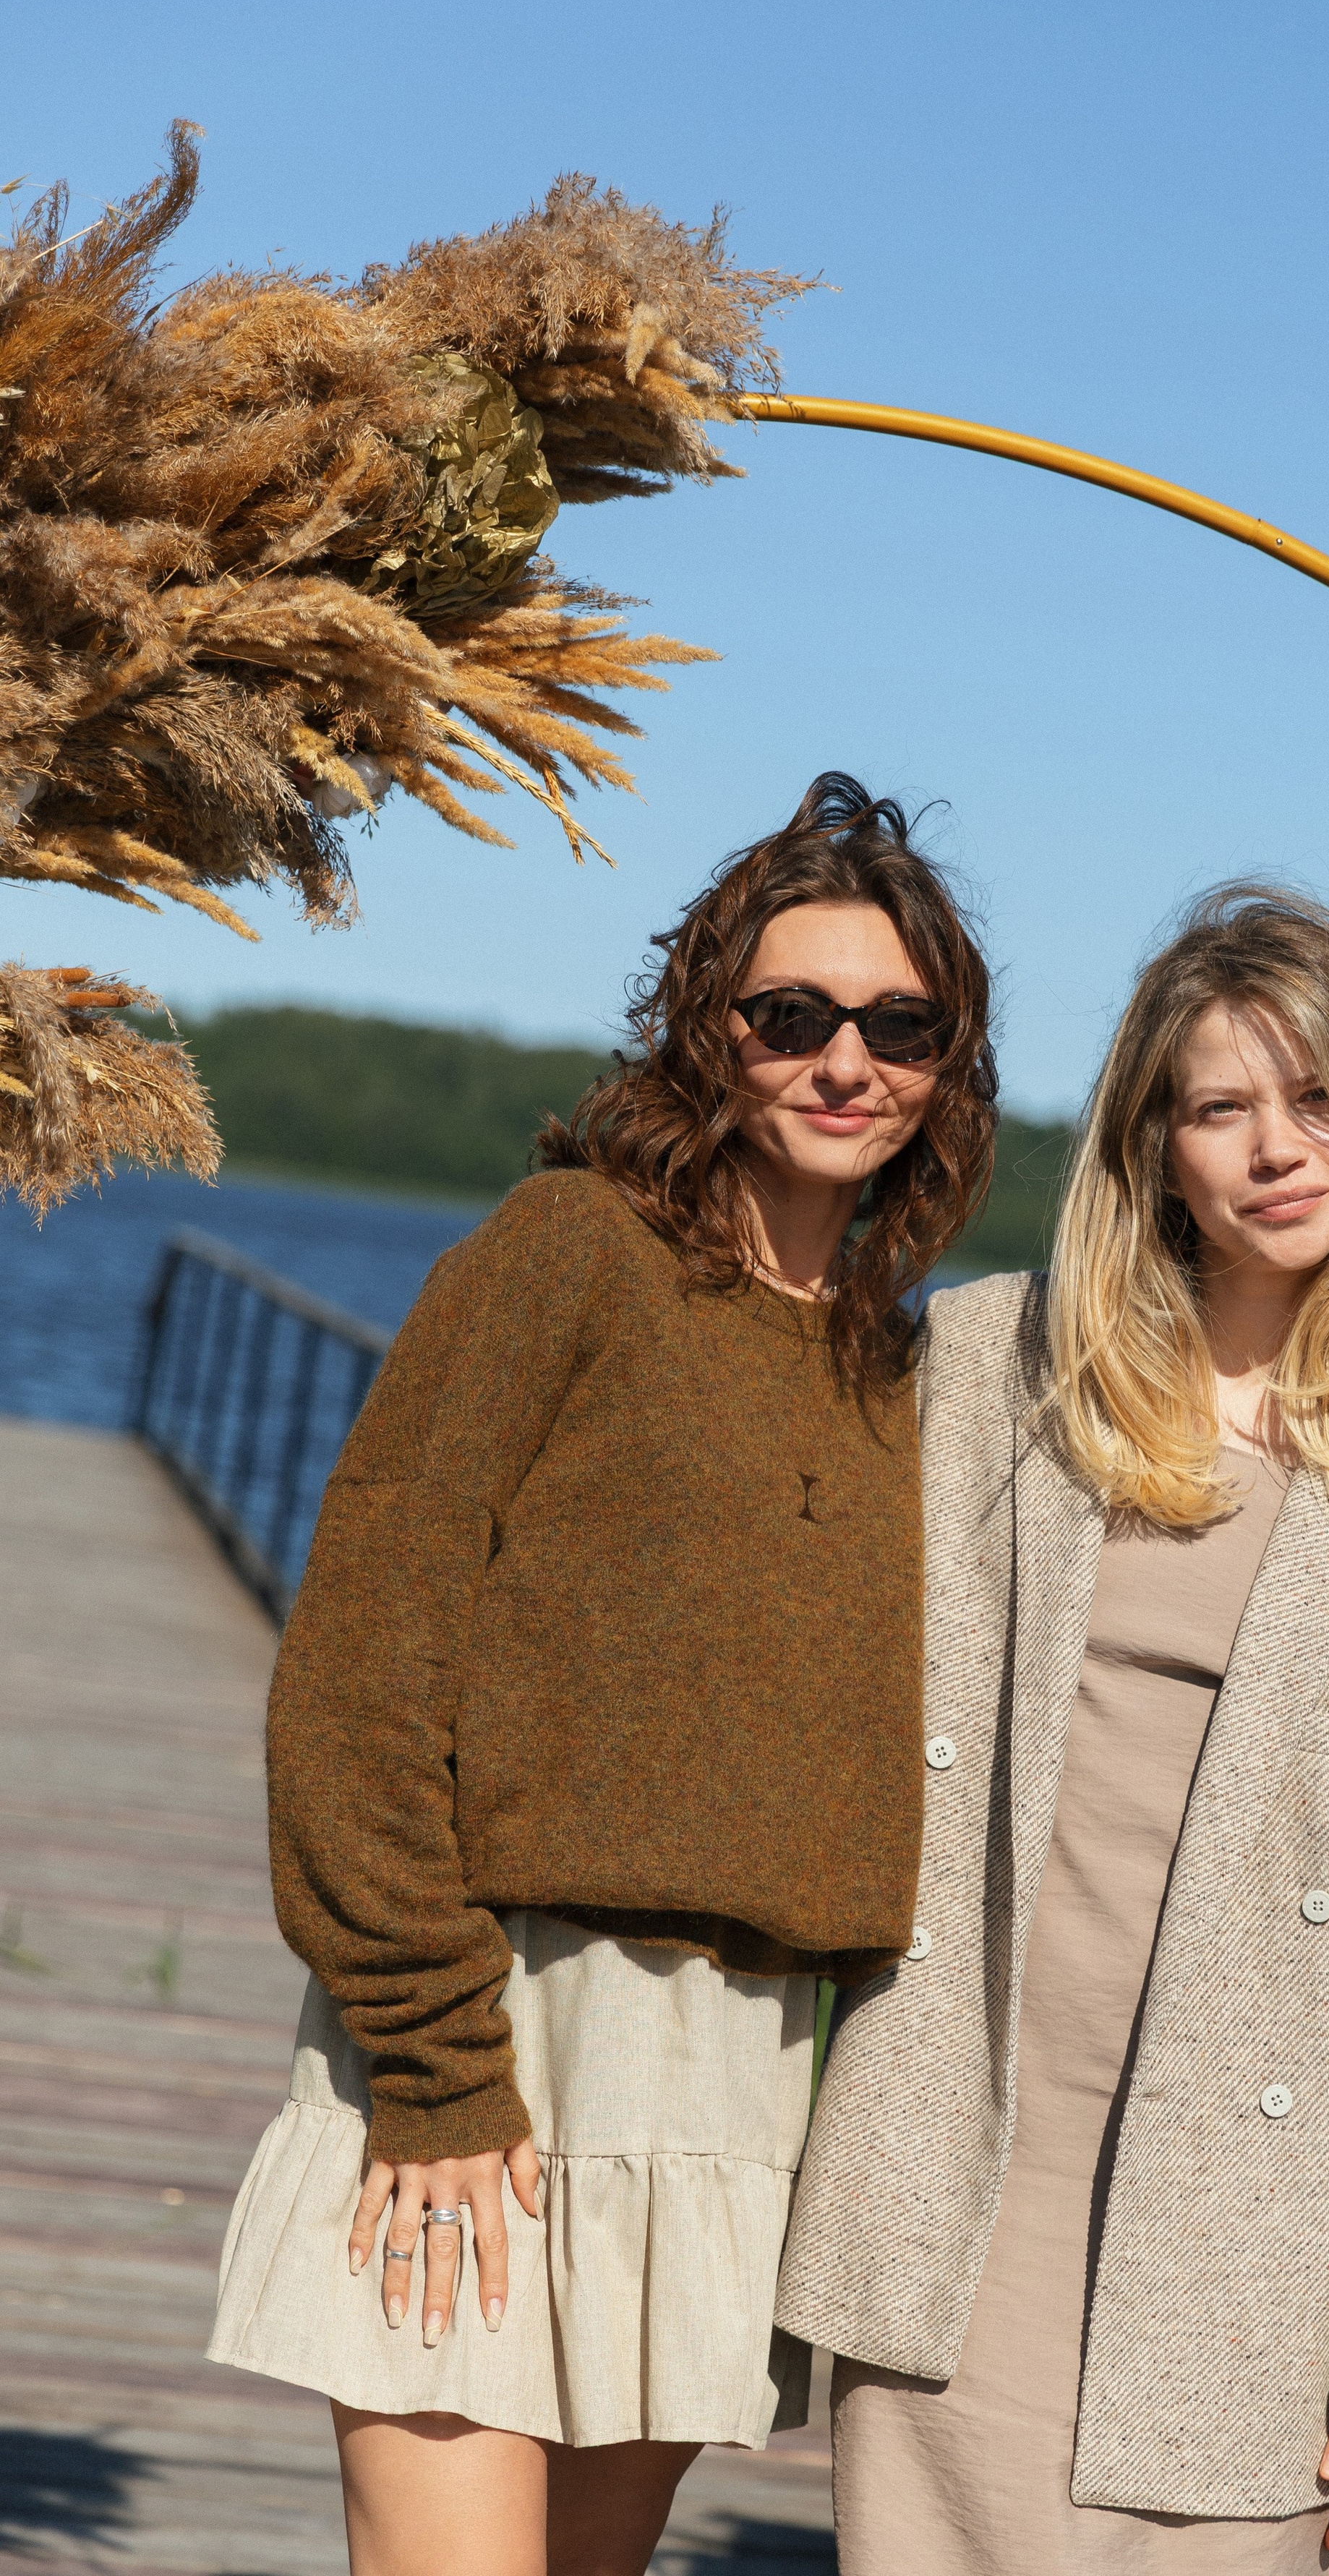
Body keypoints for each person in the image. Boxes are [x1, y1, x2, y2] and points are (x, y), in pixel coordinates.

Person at [208, 775, 998, 2576]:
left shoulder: (896, 1369)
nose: (842, 1060)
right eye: (788, 1016)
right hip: (496, 2036)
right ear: (705, 1033)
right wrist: (433, 2065)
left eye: (898, 1025)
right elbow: (363, 1662)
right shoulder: (569, 1254)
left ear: (949, 1064)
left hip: (727, 2083)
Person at [777, 882, 1329, 2574]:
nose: (1277, 1148)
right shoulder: (993, 1367)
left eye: (1316, 1097)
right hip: (958, 2171)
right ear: (1155, 1146)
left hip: (1250, 2241)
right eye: (1222, 1106)